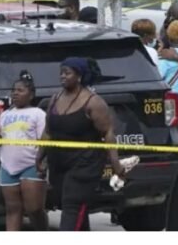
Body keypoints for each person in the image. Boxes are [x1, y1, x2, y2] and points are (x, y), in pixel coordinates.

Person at [37, 57, 127, 231]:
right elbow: (48, 130)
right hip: (59, 162)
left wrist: (115, 164)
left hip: (85, 163)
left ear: (79, 76)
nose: (62, 76)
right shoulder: (55, 98)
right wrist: (40, 156)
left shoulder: (93, 102)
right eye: (61, 73)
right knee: (71, 206)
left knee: (72, 205)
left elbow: (108, 133)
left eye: (67, 73)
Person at [0, 71, 48, 231]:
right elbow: (1, 143)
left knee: (34, 209)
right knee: (12, 210)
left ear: (31, 95)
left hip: (31, 165)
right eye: (14, 91)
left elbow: (44, 141)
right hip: (7, 166)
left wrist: (43, 162)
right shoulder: (5, 115)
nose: (15, 93)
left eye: (20, 91)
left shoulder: (38, 114)